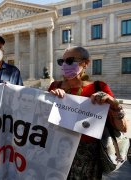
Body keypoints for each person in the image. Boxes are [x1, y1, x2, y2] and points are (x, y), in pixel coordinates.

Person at [48, 46, 128, 179]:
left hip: (87, 156)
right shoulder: (54, 86)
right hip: (58, 150)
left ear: (85, 63)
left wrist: (114, 105)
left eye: (70, 61)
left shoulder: (99, 87)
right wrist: (49, 99)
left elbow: (123, 128)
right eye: (62, 62)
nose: (64, 65)